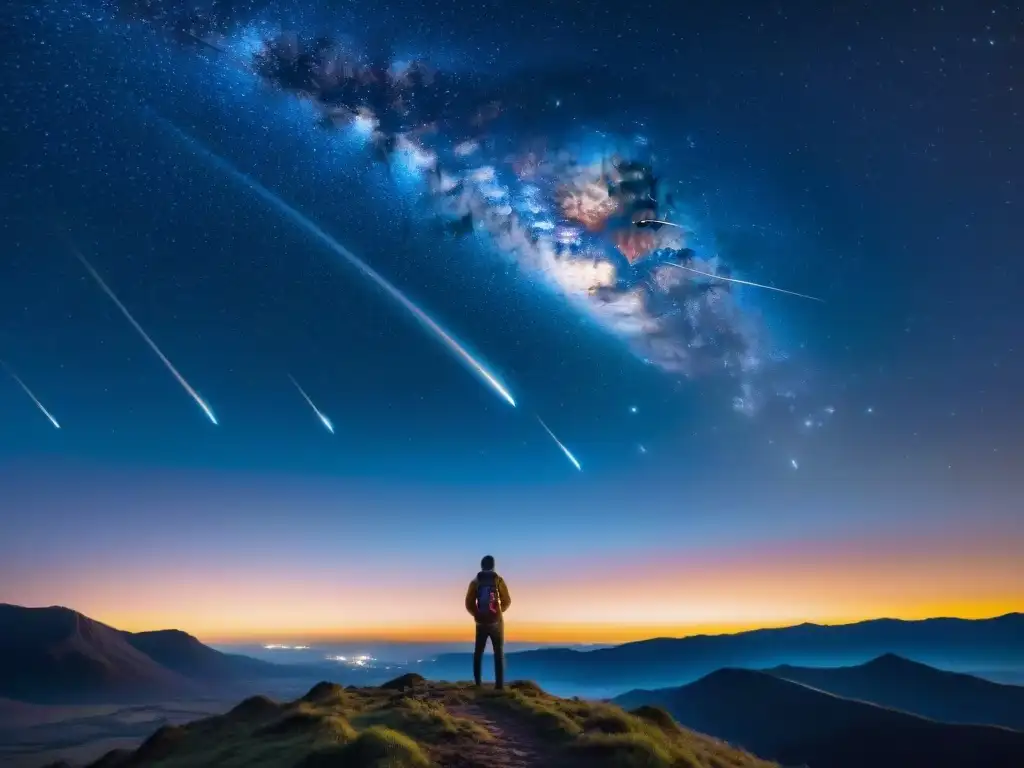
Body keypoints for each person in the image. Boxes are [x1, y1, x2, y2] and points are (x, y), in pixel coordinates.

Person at [464, 555, 511, 689]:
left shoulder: (475, 582)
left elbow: (469, 603)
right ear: (493, 565)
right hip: (496, 622)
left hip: (481, 623)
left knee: (478, 652)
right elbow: (507, 600)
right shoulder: (498, 580)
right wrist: (498, 612)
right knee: (499, 653)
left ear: (481, 566)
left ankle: (478, 683)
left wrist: (477, 615)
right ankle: (499, 686)